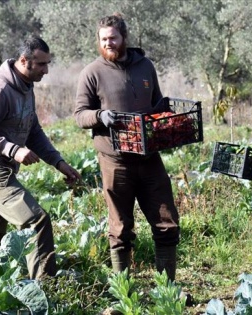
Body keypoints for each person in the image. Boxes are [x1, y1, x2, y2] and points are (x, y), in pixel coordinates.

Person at [0, 36, 81, 280]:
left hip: (0, 170)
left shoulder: (26, 88)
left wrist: (59, 163)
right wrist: (12, 149)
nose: (46, 70)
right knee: (35, 220)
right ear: (24, 60)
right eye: (41, 64)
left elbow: (34, 132)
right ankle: (46, 288)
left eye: (47, 63)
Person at [73, 14, 180, 282]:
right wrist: (99, 116)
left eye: (113, 38)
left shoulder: (145, 67)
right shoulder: (92, 72)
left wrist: (167, 118)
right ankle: (124, 291)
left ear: (124, 38)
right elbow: (79, 115)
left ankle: (166, 290)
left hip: (149, 156)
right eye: (103, 39)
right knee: (120, 228)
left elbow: (157, 104)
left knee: (167, 222)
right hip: (115, 160)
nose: (108, 43)